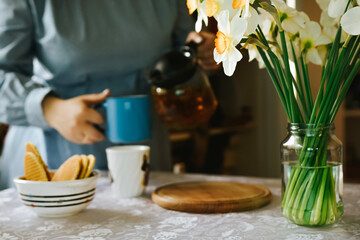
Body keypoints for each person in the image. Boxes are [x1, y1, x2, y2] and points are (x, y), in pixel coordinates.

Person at [0, 0, 218, 189]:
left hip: (145, 147)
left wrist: (205, 52)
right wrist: (50, 108)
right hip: (56, 152)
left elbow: (184, 50)